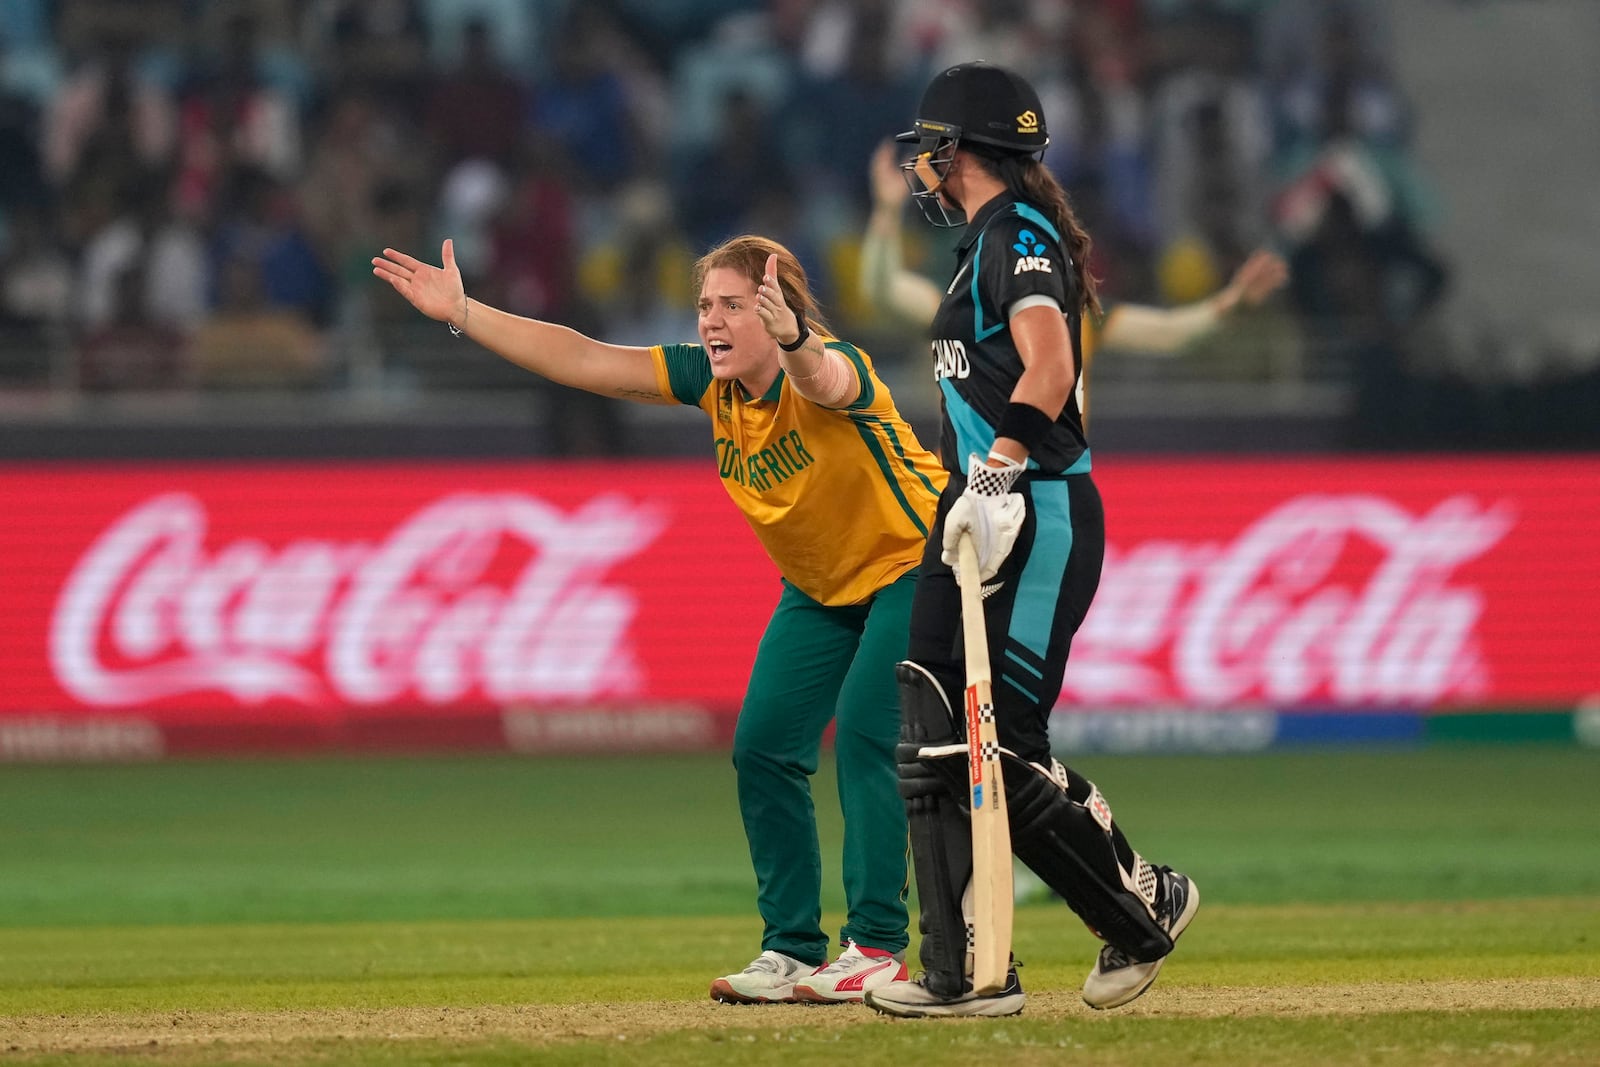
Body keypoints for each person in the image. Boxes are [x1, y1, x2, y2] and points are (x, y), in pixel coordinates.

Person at [372, 233, 947, 1005]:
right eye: (705, 304)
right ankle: (790, 948)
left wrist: (797, 340)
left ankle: (875, 945)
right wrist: (465, 312)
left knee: (868, 732)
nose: (711, 320)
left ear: (779, 310)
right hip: (821, 586)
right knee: (764, 749)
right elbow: (583, 358)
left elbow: (827, 376)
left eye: (732, 306)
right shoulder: (707, 381)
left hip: (918, 562)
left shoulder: (828, 368)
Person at [862, 61, 1198, 1020]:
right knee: (931, 725)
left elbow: (1049, 363)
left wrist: (1002, 467)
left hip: (1036, 503)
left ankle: (1144, 904)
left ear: (960, 149)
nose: (923, 161)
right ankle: (967, 969)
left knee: (1000, 739)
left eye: (931, 145)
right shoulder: (981, 244)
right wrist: (976, 483)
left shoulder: (1019, 234)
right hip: (974, 506)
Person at [861, 140, 1289, 427]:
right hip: (972, 493)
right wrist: (885, 212)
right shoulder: (961, 303)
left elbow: (1171, 335)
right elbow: (881, 289)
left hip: (1051, 493)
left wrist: (1232, 303)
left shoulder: (1079, 314)